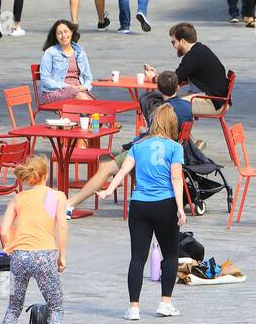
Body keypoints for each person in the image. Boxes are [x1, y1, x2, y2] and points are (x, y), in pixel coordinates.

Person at [98, 104, 186, 321]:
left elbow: (123, 170)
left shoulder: (138, 146)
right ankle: (165, 302)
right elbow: (176, 179)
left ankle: (134, 307)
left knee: (137, 257)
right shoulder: (175, 148)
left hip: (140, 205)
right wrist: (180, 208)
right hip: (165, 204)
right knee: (171, 255)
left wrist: (108, 190)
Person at [66, 70, 194, 217]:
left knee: (106, 167)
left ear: (158, 88)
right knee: (115, 158)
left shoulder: (161, 111)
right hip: (174, 151)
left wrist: (140, 136)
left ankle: (71, 203)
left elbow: (152, 137)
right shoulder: (187, 106)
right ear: (178, 87)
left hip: (151, 151)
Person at [0, 155, 69, 324]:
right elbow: (62, 227)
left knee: (14, 307)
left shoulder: (18, 198)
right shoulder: (56, 196)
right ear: (46, 175)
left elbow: (4, 230)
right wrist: (61, 256)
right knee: (56, 307)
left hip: (20, 255)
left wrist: (11, 248)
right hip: (44, 254)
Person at [145, 23, 229, 113]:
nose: (174, 46)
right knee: (169, 103)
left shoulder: (193, 56)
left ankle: (164, 126)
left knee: (167, 108)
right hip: (216, 99)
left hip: (213, 102)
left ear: (182, 41)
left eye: (173, 42)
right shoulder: (198, 50)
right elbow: (179, 76)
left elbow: (172, 81)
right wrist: (159, 75)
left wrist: (153, 78)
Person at [38, 19, 94, 106]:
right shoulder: (50, 52)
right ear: (56, 36)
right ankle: (100, 116)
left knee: (81, 96)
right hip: (55, 91)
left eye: (65, 31)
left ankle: (95, 116)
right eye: (59, 33)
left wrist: (85, 86)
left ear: (71, 32)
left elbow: (88, 77)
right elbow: (45, 79)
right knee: (82, 98)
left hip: (79, 90)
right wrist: (67, 87)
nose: (63, 35)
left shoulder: (80, 53)